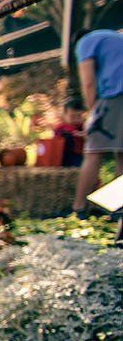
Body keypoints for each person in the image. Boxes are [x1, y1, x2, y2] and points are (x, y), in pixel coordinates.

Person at [74, 27, 123, 213]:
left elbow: (88, 82)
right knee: (122, 155)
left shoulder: (84, 42)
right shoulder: (115, 38)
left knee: (93, 152)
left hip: (113, 97)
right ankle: (118, 209)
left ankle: (79, 207)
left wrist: (92, 111)